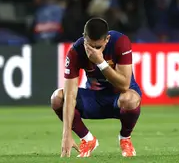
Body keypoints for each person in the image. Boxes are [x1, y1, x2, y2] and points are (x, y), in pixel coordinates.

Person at [50, 17, 141, 158]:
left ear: (107, 39)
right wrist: (66, 135)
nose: (93, 51)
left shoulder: (120, 42)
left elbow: (124, 85)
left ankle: (125, 138)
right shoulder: (75, 51)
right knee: (57, 98)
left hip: (118, 98)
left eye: (98, 47)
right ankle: (87, 139)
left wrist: (100, 62)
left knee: (131, 99)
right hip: (94, 99)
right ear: (84, 38)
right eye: (90, 46)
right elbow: (70, 96)